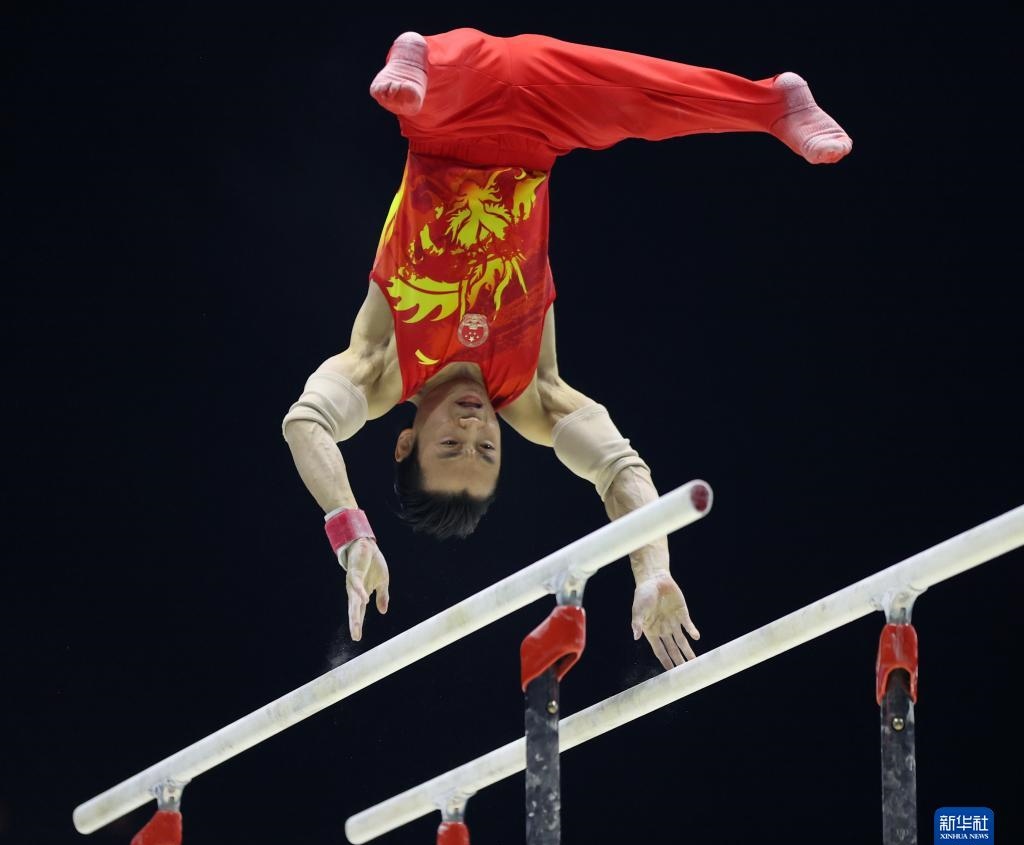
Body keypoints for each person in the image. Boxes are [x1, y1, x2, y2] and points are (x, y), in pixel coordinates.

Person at [282, 28, 852, 668]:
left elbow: (305, 423)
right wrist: (651, 569)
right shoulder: (531, 391)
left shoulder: (382, 367)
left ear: (404, 441)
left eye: (449, 446)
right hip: (540, 134)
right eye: (486, 450)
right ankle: (773, 104)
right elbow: (619, 470)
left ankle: (415, 59)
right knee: (642, 102)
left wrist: (349, 528)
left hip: (443, 123)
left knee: (447, 75)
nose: (473, 429)